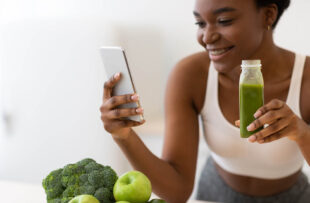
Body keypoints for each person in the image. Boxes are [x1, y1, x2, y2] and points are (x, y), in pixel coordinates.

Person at [100, 0, 310, 202]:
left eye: (224, 20)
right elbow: (176, 192)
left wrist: (301, 133)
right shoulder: (190, 75)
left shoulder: (306, 77)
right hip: (212, 195)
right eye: (200, 23)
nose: (206, 37)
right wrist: (123, 136)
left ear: (268, 15)